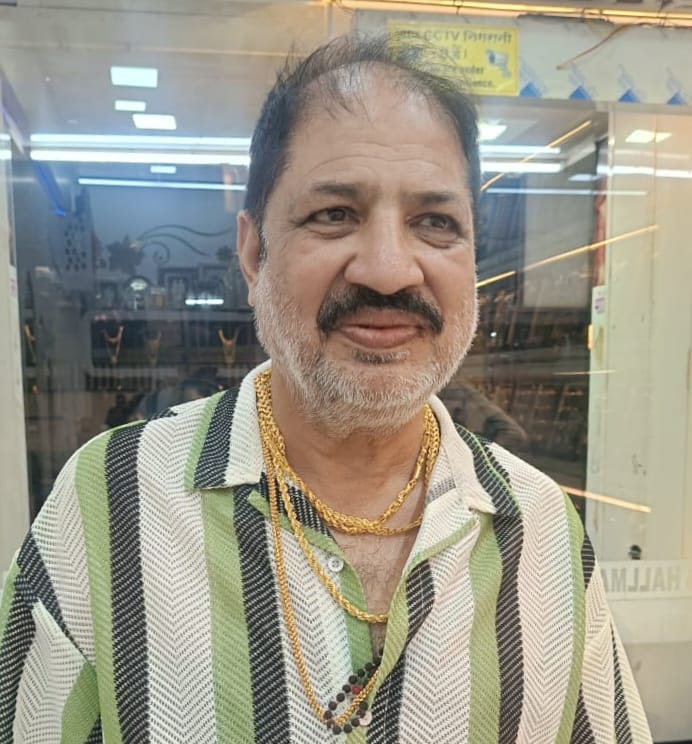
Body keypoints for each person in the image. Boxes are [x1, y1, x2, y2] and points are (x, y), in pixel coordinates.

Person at [0, 35, 651, 744]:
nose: (388, 270)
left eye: (435, 223)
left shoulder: (544, 530)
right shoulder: (107, 505)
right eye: (334, 214)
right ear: (254, 253)